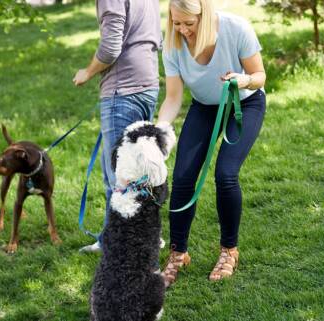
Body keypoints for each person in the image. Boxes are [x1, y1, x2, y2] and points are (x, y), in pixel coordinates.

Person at [156, 0, 266, 286]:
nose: (182, 30)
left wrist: (243, 80)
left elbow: (260, 76)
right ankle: (178, 252)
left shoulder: (236, 28)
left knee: (226, 174)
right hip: (204, 106)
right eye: (176, 22)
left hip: (245, 103)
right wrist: (159, 131)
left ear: (204, 16)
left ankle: (229, 250)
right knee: (181, 178)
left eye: (188, 24)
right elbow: (172, 98)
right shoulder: (172, 43)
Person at [73, 0, 161, 253]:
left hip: (123, 89)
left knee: (120, 177)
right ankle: (120, 238)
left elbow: (111, 48)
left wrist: (87, 72)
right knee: (136, 171)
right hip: (147, 84)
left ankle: (129, 246)